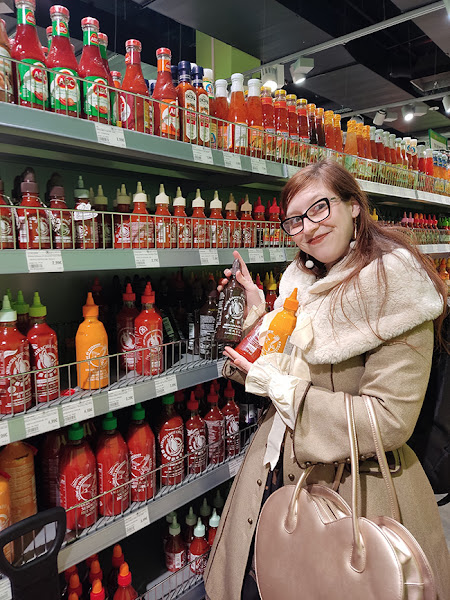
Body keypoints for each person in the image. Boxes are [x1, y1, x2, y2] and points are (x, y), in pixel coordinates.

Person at [204, 159, 450, 600]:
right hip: (276, 475)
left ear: (354, 205)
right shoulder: (300, 282)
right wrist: (259, 317)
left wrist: (288, 393)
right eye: (295, 220)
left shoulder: (395, 289)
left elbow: (389, 418)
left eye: (320, 208)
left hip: (357, 494)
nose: (308, 228)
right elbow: (271, 370)